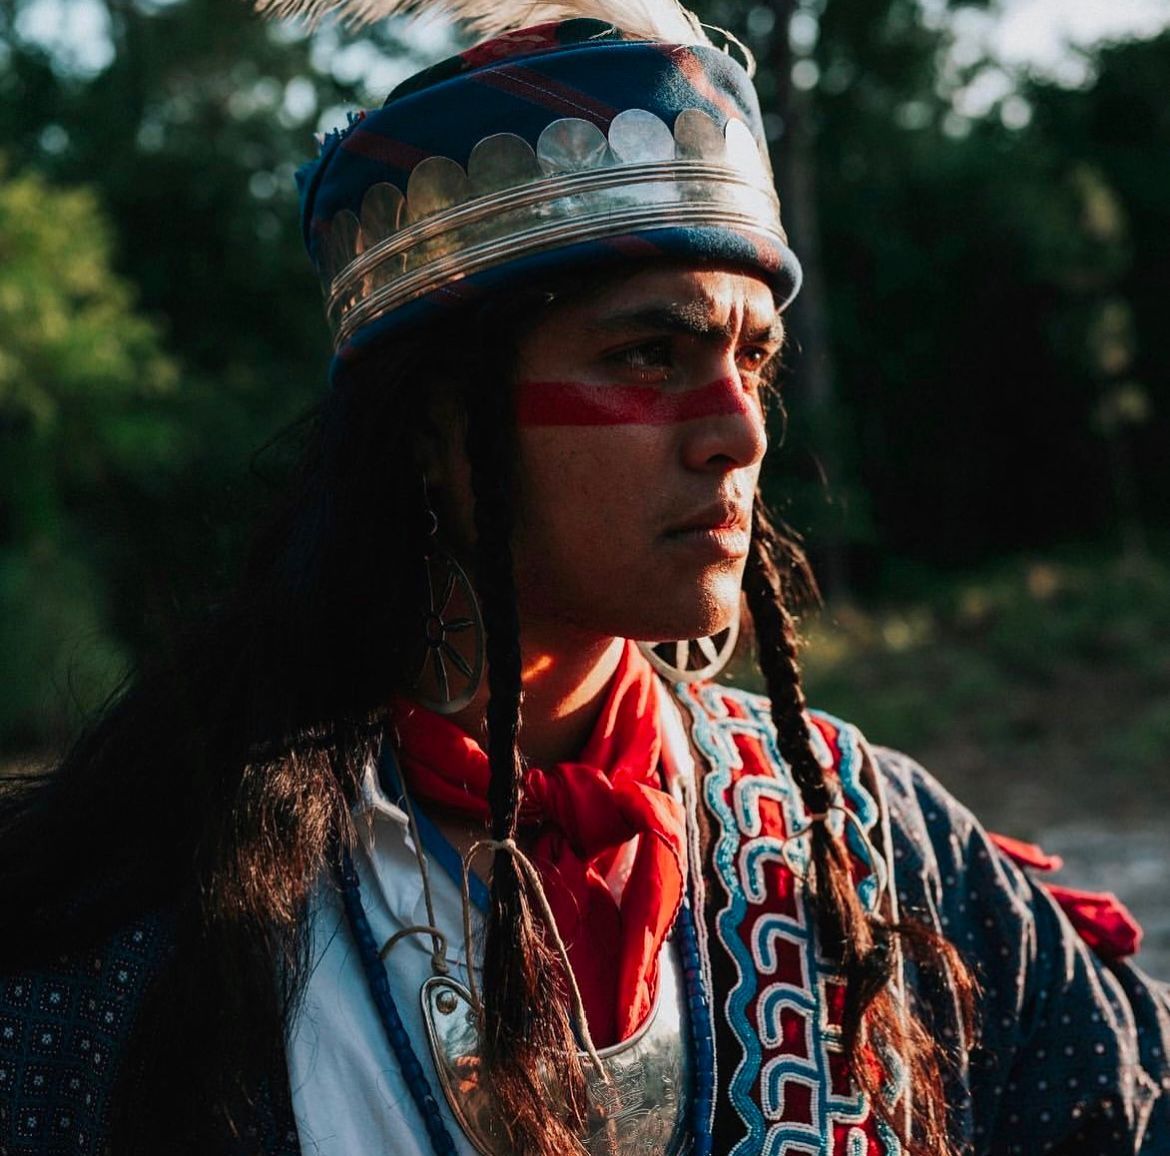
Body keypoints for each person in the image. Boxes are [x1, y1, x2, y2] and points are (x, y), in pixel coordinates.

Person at [1, 4, 1168, 1155]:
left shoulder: (873, 845)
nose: (739, 431)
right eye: (649, 354)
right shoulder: (137, 936)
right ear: (437, 427)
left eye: (751, 358)